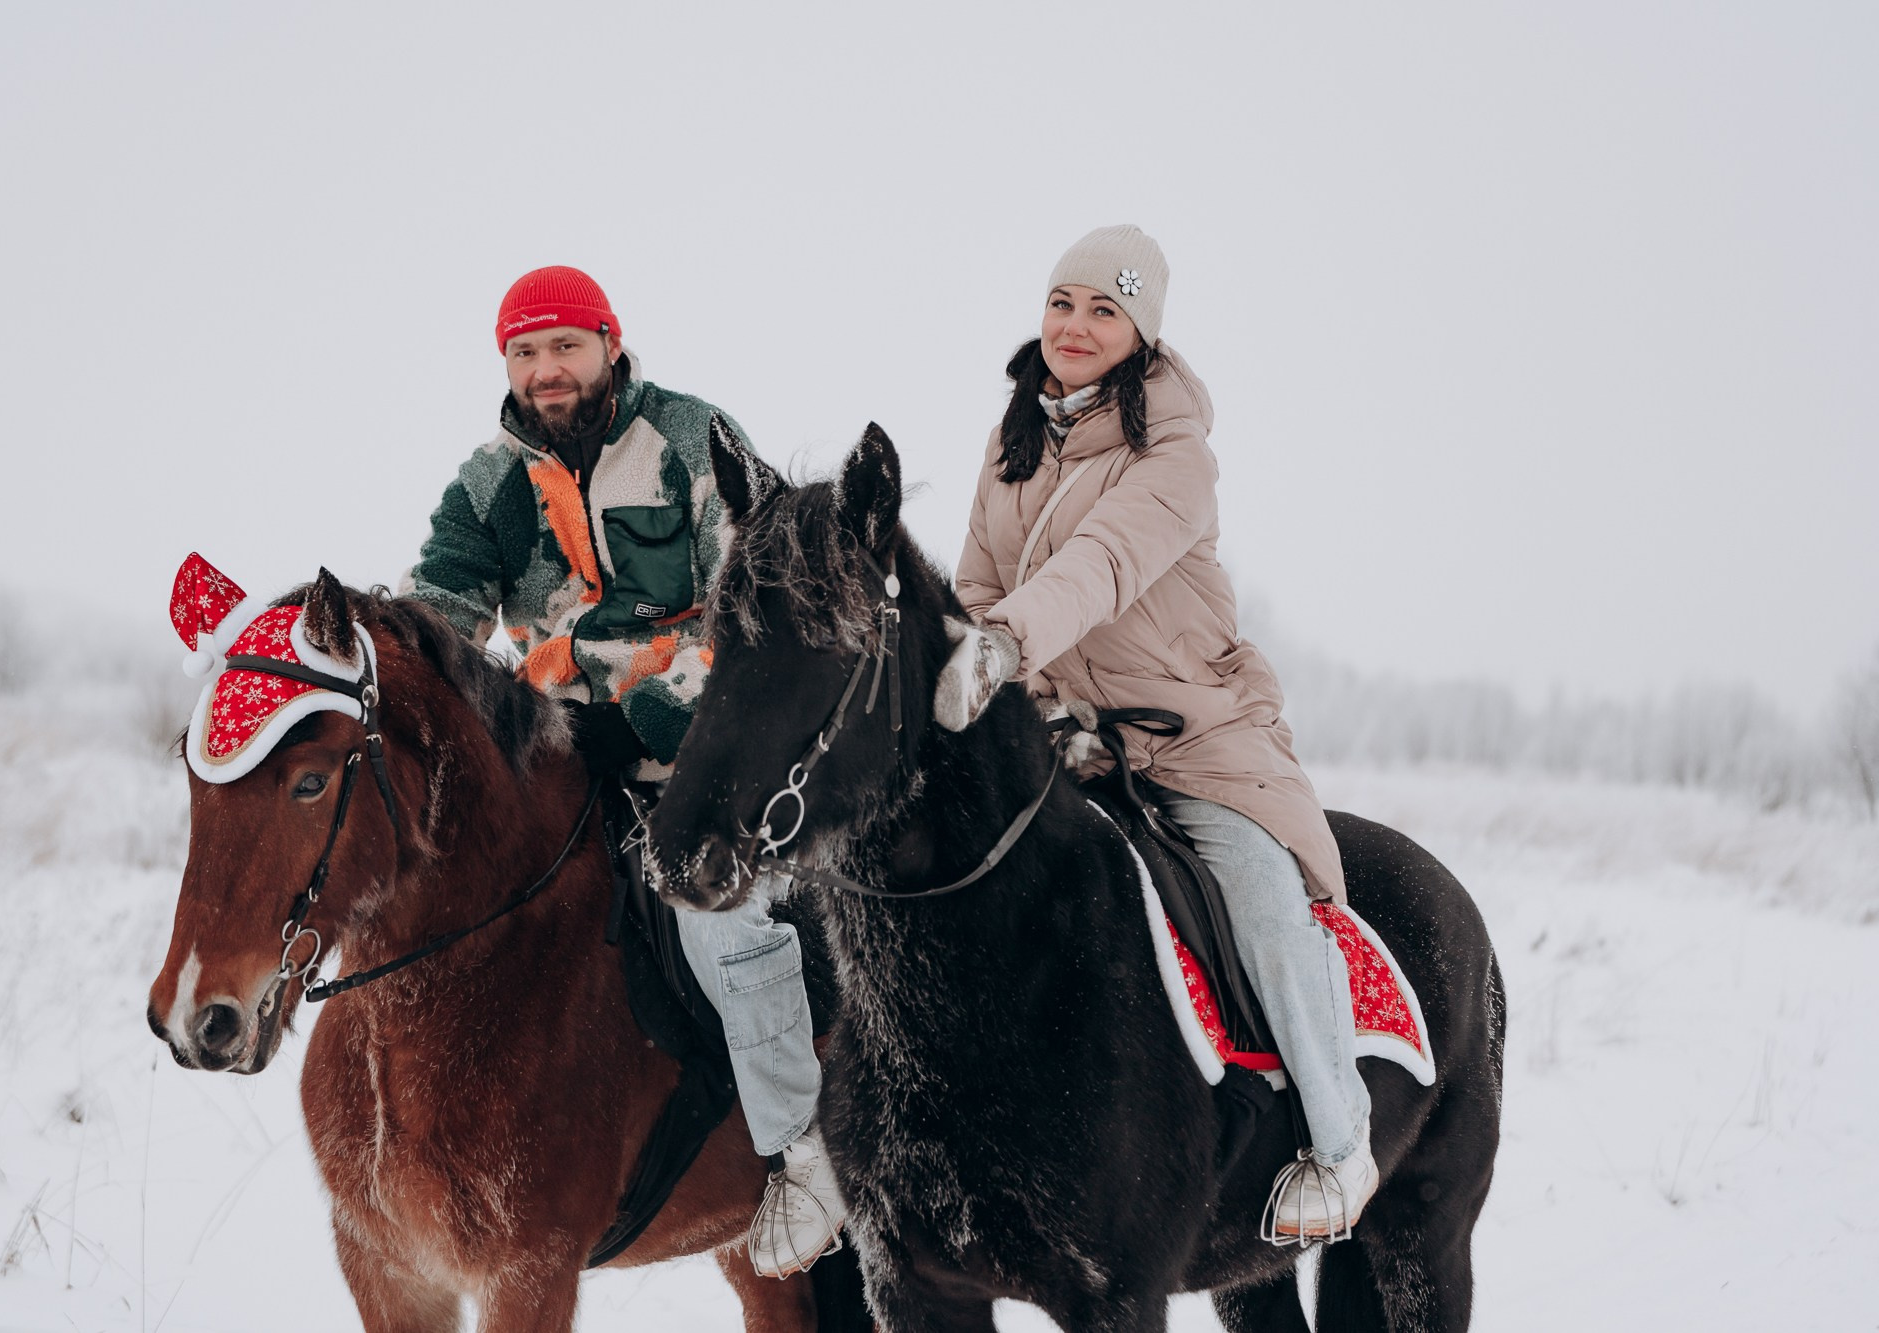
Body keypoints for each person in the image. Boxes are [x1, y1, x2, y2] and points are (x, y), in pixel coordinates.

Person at [404, 266, 844, 1276]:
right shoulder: (492, 481)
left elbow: (759, 615)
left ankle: (799, 1150)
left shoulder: (693, 441)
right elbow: (438, 615)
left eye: (564, 346)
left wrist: (643, 713)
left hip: (701, 756)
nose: (544, 371)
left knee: (717, 917)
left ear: (609, 344)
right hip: (550, 750)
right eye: (523, 352)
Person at [952, 226, 1377, 1242]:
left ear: (1140, 336)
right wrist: (967, 653)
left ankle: (1339, 1144)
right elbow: (975, 580)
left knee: (1265, 909)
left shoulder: (1176, 457)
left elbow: (1096, 565)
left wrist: (1003, 643)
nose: (1075, 326)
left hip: (1192, 738)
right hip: (1060, 736)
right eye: (1063, 303)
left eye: (1104, 310)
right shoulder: (1012, 440)